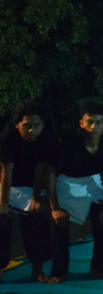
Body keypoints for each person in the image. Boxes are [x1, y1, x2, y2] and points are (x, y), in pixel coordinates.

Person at [46, 102, 103, 281]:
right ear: (81, 123)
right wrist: (55, 206)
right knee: (59, 222)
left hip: (93, 183)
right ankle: (59, 271)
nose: (93, 127)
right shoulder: (69, 145)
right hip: (67, 184)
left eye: (98, 122)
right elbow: (49, 174)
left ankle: (100, 268)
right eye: (89, 122)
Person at [0, 100, 58, 283]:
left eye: (37, 125)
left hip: (34, 186)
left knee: (40, 215)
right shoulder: (7, 138)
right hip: (8, 185)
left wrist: (36, 198)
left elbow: (44, 170)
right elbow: (6, 173)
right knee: (2, 221)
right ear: (17, 124)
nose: (32, 130)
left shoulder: (49, 138)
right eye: (26, 126)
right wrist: (3, 204)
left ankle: (37, 268)